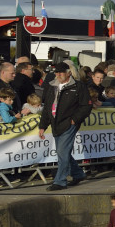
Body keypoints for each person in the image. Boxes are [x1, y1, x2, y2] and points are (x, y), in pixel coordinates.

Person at [38, 61, 93, 191]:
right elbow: (47, 108)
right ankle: (78, 174)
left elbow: (86, 105)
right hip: (55, 123)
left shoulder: (78, 86)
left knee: (62, 152)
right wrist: (42, 126)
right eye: (56, 72)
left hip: (69, 123)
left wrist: (74, 119)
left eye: (61, 72)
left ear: (68, 73)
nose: (58, 74)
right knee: (63, 152)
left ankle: (60, 181)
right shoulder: (52, 86)